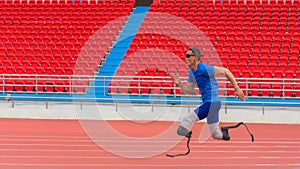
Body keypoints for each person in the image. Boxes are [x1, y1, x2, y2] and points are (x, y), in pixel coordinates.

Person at [170, 48, 245, 141]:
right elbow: (189, 90)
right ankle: (225, 133)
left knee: (186, 121)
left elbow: (226, 71)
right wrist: (179, 84)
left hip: (212, 103)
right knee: (216, 134)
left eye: (188, 56)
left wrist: (237, 88)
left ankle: (186, 132)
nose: (186, 58)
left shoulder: (204, 69)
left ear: (196, 58)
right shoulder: (192, 73)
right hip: (212, 104)